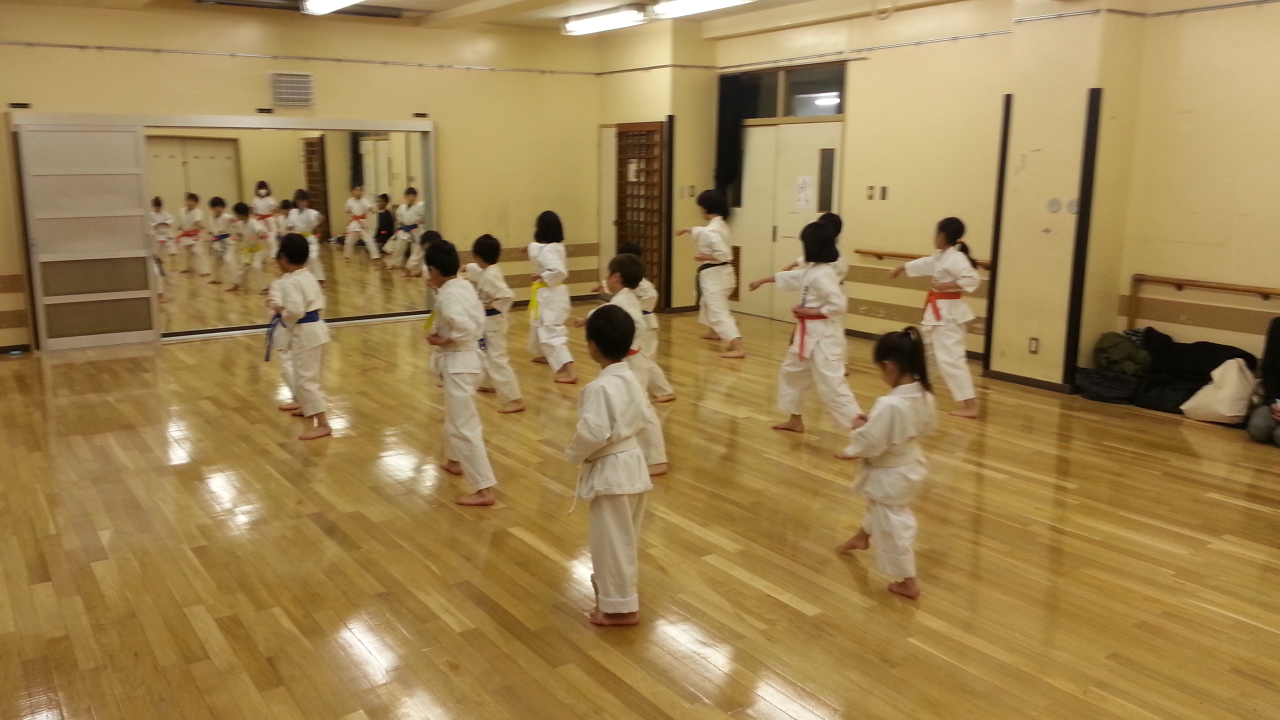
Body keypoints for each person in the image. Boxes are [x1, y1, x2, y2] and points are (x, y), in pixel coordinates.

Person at [564, 304, 657, 627]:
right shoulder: (632, 379)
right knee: (625, 538)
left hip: (611, 471)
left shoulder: (599, 388)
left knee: (611, 543)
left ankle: (619, 609)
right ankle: (618, 601)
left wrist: (573, 453)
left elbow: (593, 432)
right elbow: (645, 418)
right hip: (633, 464)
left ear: (592, 346)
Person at [835, 327, 937, 599]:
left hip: (892, 471)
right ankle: (862, 536)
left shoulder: (890, 404)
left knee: (893, 520)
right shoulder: (925, 394)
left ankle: (908, 580)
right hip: (910, 462)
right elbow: (917, 427)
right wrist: (873, 424)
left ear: (888, 366)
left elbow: (872, 442)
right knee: (880, 506)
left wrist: (856, 440)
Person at [749, 221, 862, 435]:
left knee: (832, 387)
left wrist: (809, 312)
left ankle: (863, 433)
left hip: (823, 338)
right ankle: (795, 420)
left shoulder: (823, 274)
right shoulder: (814, 269)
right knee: (792, 373)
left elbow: (839, 305)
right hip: (808, 335)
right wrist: (763, 280)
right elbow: (793, 277)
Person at [577, 254, 669, 476]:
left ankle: (657, 459)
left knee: (643, 407)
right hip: (630, 358)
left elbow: (623, 321)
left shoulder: (624, 301)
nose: (606, 279)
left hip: (631, 360)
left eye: (608, 274)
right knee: (635, 405)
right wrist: (587, 319)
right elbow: (607, 313)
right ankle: (644, 453)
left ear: (616, 277)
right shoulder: (624, 298)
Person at [425, 239, 500, 507]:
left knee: (464, 425)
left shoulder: (448, 295)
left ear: (434, 270)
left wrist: (442, 340)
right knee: (454, 415)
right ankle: (454, 460)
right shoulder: (462, 285)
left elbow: (464, 328)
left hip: (460, 363)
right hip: (469, 360)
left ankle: (484, 488)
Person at [888, 217, 981, 418]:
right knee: (925, 354)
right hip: (937, 313)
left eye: (936, 233)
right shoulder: (942, 257)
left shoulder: (956, 258)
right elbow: (924, 264)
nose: (934, 237)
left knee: (951, 359)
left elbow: (973, 280)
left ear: (942, 235)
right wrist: (900, 269)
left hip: (948, 316)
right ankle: (924, 394)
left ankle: (970, 406)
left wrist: (946, 286)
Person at [268, 233, 332, 441]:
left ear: (284, 258)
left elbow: (295, 311)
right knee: (304, 375)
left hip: (306, 333)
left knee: (306, 380)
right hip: (316, 330)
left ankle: (323, 424)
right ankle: (307, 407)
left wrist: (280, 311)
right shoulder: (308, 276)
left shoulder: (291, 282)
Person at [678, 190, 744, 359]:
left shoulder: (712, 231)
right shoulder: (719, 225)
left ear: (705, 209)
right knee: (708, 303)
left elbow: (724, 254)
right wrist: (687, 230)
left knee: (719, 312)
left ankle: (737, 347)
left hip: (716, 277)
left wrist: (704, 257)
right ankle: (714, 332)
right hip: (723, 275)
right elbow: (702, 232)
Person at [463, 234, 525, 414]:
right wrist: (466, 267)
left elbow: (507, 296)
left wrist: (486, 305)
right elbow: (478, 270)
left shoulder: (491, 276)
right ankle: (488, 383)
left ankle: (514, 399)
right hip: (488, 323)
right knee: (484, 354)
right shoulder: (489, 271)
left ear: (478, 256)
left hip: (494, 324)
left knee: (497, 359)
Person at [617, 242, 676, 403]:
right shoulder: (627, 282)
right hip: (637, 324)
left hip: (646, 324)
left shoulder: (642, 283)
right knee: (638, 359)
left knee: (646, 360)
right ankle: (637, 389)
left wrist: (638, 307)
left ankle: (665, 391)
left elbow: (652, 296)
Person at [525, 211, 577, 383]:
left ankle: (570, 372)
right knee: (540, 325)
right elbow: (537, 249)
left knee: (551, 331)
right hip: (553, 294)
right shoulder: (556, 247)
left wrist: (540, 276)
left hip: (552, 296)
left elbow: (560, 271)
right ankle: (546, 355)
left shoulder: (548, 250)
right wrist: (526, 248)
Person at [780, 212, 848, 279]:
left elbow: (807, 274)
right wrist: (790, 266)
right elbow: (806, 260)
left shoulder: (834, 263)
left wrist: (784, 275)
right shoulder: (824, 249)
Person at [1246, 317, 1280, 444]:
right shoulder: (1277, 325)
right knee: (1257, 428)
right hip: (1278, 400)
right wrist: (1273, 402)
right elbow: (1269, 369)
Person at [228, 202, 269, 294]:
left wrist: (261, 234)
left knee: (256, 267)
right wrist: (238, 237)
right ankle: (237, 284)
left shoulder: (253, 223)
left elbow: (259, 230)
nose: (237, 216)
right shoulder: (239, 224)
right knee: (242, 268)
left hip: (257, 250)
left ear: (242, 214)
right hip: (248, 251)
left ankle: (265, 287)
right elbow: (239, 234)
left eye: (237, 214)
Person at [288, 190, 326, 286]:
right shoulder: (292, 212)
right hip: (297, 240)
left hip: (309, 239)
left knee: (313, 258)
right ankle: (301, 281)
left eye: (304, 201)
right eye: (300, 201)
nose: (302, 203)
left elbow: (318, 216)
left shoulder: (310, 212)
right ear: (296, 201)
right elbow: (290, 225)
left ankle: (320, 279)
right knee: (298, 262)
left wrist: (320, 217)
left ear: (307, 202)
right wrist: (289, 227)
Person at [386, 188, 423, 275]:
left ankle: (414, 267)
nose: (411, 197)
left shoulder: (418, 208)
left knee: (415, 249)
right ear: (405, 196)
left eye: (413, 196)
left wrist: (421, 220)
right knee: (398, 247)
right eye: (409, 196)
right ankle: (394, 263)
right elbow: (398, 216)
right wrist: (400, 221)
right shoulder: (402, 207)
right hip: (404, 229)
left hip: (414, 229)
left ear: (416, 197)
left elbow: (422, 218)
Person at [342, 185, 379, 263]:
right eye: (356, 190)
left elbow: (369, 208)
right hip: (354, 223)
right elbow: (347, 210)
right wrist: (349, 212)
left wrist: (372, 209)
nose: (358, 192)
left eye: (360, 190)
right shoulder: (350, 201)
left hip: (362, 222)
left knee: (369, 240)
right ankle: (347, 256)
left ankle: (375, 257)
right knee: (348, 240)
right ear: (352, 192)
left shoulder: (364, 200)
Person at [175, 192, 207, 276]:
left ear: (196, 203)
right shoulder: (181, 211)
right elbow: (182, 222)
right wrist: (180, 226)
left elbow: (197, 222)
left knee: (198, 252)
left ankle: (204, 270)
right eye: (188, 200)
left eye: (192, 201)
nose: (189, 203)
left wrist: (202, 226)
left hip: (195, 234)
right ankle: (189, 267)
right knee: (187, 253)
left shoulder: (197, 211)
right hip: (186, 234)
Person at [149, 197, 172, 300]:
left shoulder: (165, 214)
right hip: (155, 238)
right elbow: (149, 224)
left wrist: (166, 223)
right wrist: (155, 225)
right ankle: (159, 292)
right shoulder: (150, 215)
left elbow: (171, 220)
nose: (157, 209)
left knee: (160, 260)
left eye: (159, 207)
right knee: (156, 260)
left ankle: (160, 292)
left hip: (164, 237)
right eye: (156, 207)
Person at [207, 197, 233, 286]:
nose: (218, 210)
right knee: (215, 262)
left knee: (228, 260)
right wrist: (211, 232)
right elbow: (213, 229)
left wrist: (234, 220)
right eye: (216, 208)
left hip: (227, 242)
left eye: (220, 207)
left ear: (223, 207)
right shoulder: (211, 217)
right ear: (211, 208)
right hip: (216, 242)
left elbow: (233, 220)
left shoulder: (226, 217)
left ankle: (236, 281)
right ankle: (216, 278)